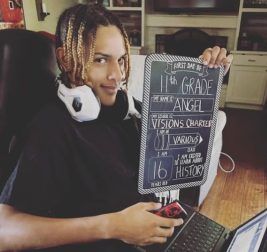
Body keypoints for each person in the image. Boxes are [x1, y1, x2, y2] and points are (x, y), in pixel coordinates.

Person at [0, 3, 233, 252]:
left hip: (159, 235)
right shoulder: (52, 127)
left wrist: (204, 80)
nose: (117, 75)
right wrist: (113, 226)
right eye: (101, 60)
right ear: (65, 60)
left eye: (121, 59)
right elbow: (5, 231)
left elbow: (179, 129)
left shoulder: (126, 109)